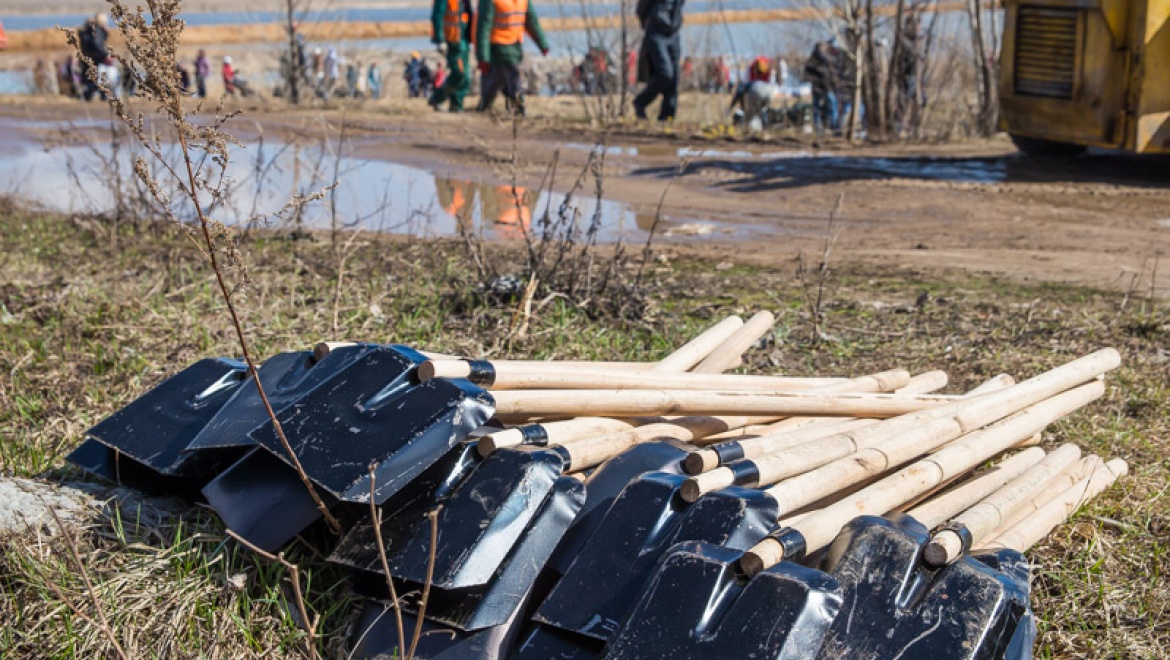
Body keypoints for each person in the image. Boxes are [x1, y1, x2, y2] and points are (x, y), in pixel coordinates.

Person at [475, 0, 551, 115]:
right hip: (497, 46)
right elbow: (483, 29)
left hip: (515, 45)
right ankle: (519, 109)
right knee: (514, 76)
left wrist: (542, 44)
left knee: (496, 79)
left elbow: (531, 21)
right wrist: (483, 58)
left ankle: (484, 106)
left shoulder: (523, 1)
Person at [633, 0, 684, 121]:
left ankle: (667, 117)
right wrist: (649, 23)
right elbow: (641, 8)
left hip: (673, 33)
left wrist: (676, 24)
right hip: (656, 32)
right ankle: (640, 102)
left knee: (674, 77)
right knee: (665, 73)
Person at [429, 0, 475, 111]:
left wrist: (472, 39)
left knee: (466, 77)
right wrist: (440, 40)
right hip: (452, 41)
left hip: (463, 42)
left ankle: (456, 106)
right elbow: (437, 15)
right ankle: (437, 98)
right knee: (459, 73)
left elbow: (468, 16)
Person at [804, 41, 839, 134]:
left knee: (831, 106)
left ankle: (833, 126)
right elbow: (808, 74)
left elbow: (832, 73)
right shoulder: (813, 60)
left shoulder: (827, 59)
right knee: (818, 108)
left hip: (826, 87)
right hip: (818, 87)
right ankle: (820, 128)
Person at [76, 13, 110, 101]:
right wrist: (106, 55)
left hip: (87, 59)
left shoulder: (85, 32)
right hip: (96, 59)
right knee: (98, 80)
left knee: (90, 80)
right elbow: (97, 44)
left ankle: (87, 97)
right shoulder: (96, 31)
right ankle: (100, 97)